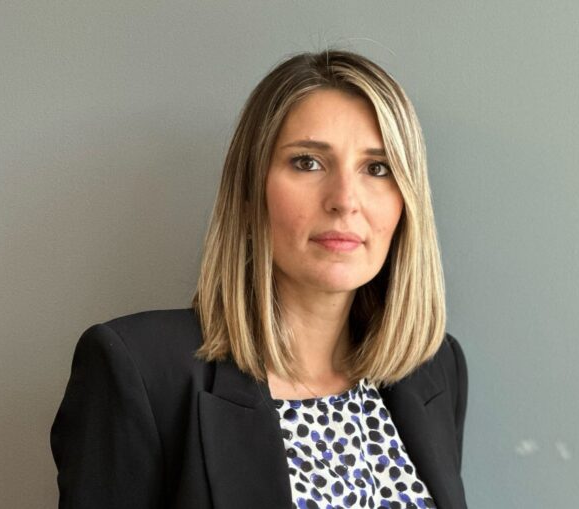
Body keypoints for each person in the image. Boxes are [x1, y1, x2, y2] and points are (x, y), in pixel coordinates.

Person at [51, 49, 468, 509]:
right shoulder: (140, 371)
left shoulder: (434, 368)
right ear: (250, 190)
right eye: (308, 162)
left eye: (377, 168)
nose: (345, 200)